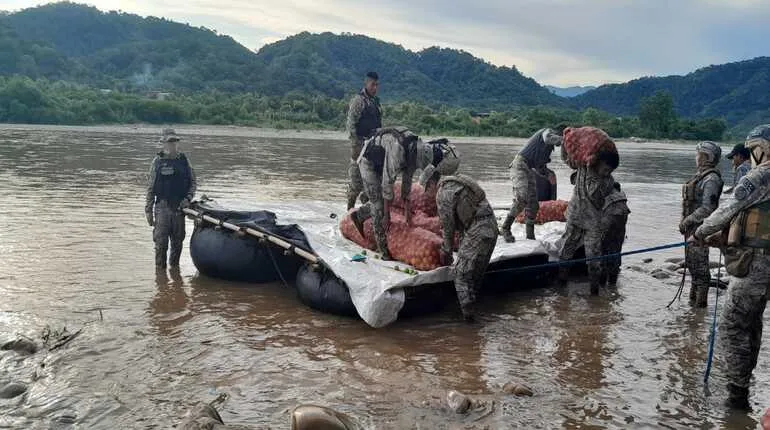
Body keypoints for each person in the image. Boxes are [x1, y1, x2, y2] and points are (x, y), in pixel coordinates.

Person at [691, 124, 770, 410]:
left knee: (733, 327)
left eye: (752, 150)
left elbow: (726, 209)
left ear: (761, 148)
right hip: (763, 266)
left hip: (754, 266)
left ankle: (737, 397)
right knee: (752, 326)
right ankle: (743, 389)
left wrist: (699, 233)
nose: (750, 156)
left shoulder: (762, 174)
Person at [349, 127, 436, 260]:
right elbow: (387, 183)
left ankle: (359, 215)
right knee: (379, 207)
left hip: (381, 162)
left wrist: (407, 213)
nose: (414, 166)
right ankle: (383, 250)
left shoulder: (416, 150)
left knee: (385, 201)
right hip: (368, 162)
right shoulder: (397, 150)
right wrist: (386, 215)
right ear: (413, 154)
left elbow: (407, 182)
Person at [436, 174, 498, 321]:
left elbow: (448, 228)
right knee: (473, 277)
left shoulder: (443, 192)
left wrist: (447, 251)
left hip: (478, 229)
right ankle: (472, 320)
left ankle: (469, 321)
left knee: (460, 275)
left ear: (432, 184)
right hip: (491, 226)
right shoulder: (459, 181)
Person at [558, 149, 619, 295]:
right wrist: (564, 146)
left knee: (594, 258)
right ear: (599, 163)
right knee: (566, 250)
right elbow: (567, 159)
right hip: (575, 217)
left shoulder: (609, 181)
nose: (606, 172)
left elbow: (598, 199)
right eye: (604, 169)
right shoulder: (583, 167)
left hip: (593, 222)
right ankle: (561, 284)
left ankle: (594, 291)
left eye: (609, 171)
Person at [501, 126, 565, 242]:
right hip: (519, 165)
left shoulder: (547, 149)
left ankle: (530, 236)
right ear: (558, 133)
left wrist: (547, 174)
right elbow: (547, 138)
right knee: (522, 197)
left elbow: (539, 167)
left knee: (533, 204)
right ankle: (505, 227)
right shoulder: (547, 132)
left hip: (529, 169)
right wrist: (565, 139)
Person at [145, 129, 197, 269]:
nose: (172, 145)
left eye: (174, 142)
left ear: (177, 143)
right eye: (169, 142)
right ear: (163, 144)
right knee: (160, 246)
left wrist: (188, 198)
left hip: (180, 209)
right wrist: (148, 211)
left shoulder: (185, 161)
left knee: (177, 245)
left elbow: (193, 183)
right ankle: (163, 283)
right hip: (162, 209)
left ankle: (175, 271)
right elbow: (150, 188)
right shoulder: (157, 162)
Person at [680, 141, 723, 308]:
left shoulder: (711, 179)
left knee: (700, 270)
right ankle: (693, 311)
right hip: (690, 229)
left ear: (706, 157)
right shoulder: (700, 176)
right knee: (692, 266)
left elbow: (708, 208)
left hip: (701, 230)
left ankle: (700, 307)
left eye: (698, 155)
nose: (696, 158)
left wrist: (688, 220)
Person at [345, 71, 382, 210]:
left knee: (372, 181)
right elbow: (351, 124)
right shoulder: (358, 100)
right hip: (360, 146)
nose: (375, 88)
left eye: (377, 85)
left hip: (374, 146)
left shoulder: (376, 102)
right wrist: (355, 146)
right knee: (356, 182)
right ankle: (349, 208)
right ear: (366, 84)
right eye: (373, 84)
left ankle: (366, 209)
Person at [601, 182, 630, 286]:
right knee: (616, 249)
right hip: (621, 222)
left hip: (610, 220)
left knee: (603, 250)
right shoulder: (621, 195)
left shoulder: (605, 194)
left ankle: (602, 283)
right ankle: (613, 284)